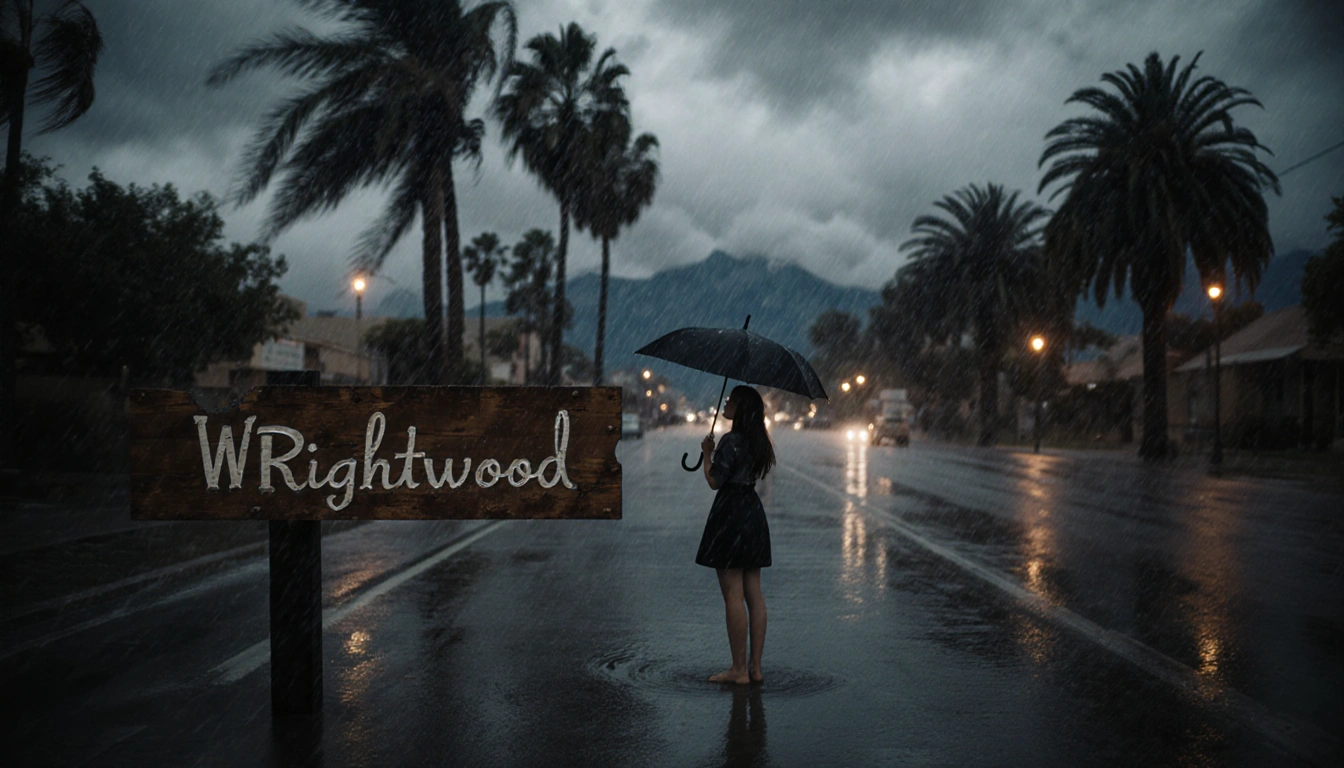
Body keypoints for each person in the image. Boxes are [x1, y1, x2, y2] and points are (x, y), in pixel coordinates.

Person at [697, 385, 775, 685]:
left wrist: (707, 455)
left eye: (730, 399)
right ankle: (755, 668)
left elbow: (715, 481)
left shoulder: (731, 441)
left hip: (730, 514)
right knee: (754, 593)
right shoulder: (758, 442)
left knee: (733, 594)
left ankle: (738, 669)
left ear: (740, 407)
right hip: (752, 513)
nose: (726, 402)